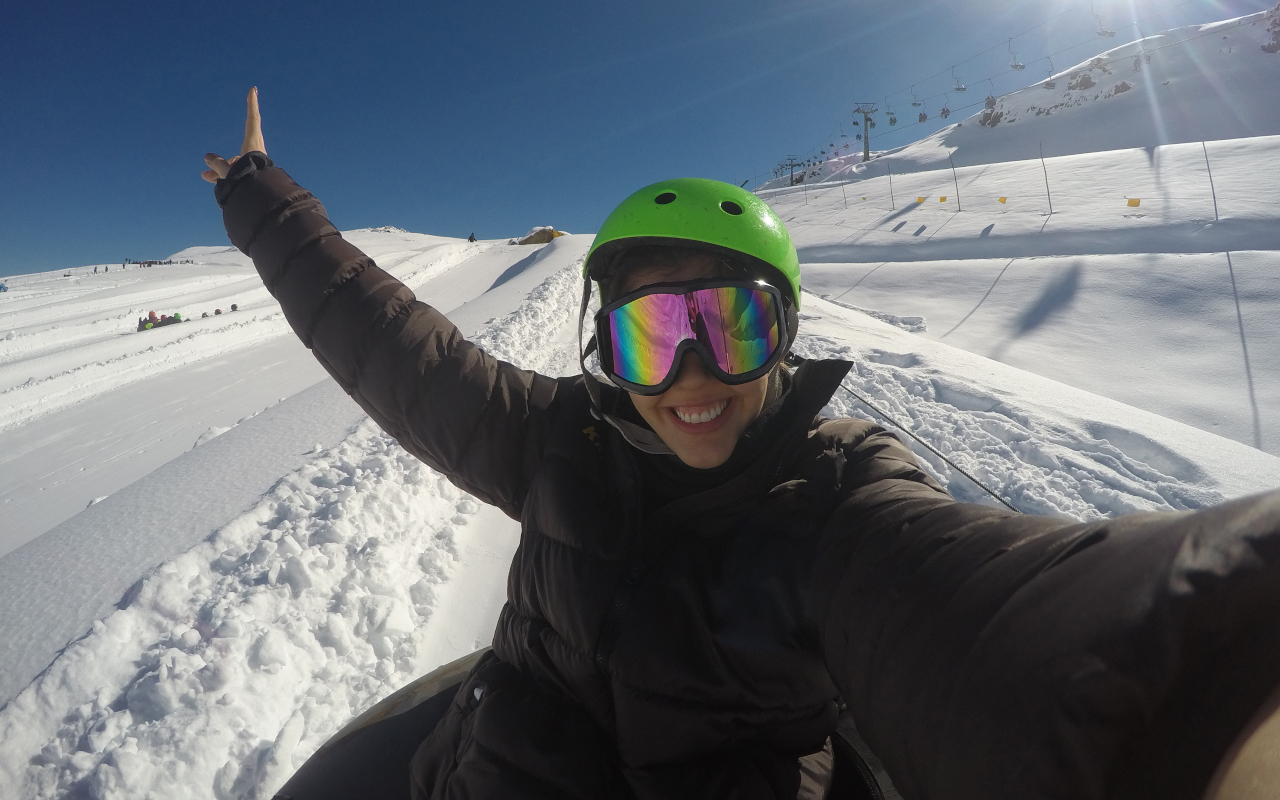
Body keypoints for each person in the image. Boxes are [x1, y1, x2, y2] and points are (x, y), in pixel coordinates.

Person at [204, 89, 1280, 800]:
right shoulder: (557, 441)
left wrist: (1216, 680)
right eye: (650, 335)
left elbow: (1009, 621)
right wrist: (263, 203)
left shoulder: (835, 498)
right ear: (605, 350)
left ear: (785, 334)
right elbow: (399, 352)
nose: (692, 377)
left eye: (732, 325)